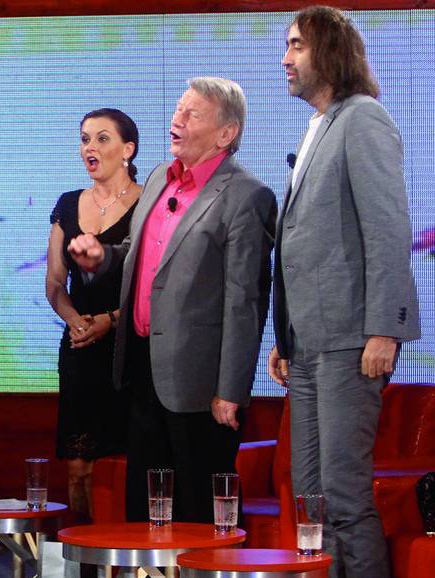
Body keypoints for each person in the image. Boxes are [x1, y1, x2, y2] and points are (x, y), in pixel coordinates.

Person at [68, 77, 276, 524]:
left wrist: (231, 390)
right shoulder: (161, 177)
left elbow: (246, 301)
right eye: (178, 109)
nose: (176, 120)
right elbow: (139, 254)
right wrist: (103, 257)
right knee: (145, 511)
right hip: (141, 369)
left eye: (191, 114)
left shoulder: (246, 196)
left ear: (225, 133)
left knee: (200, 512)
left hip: (201, 384)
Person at [268, 7, 420, 577]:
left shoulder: (364, 118)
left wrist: (384, 329)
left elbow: (387, 228)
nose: (285, 59)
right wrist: (285, 336)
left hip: (351, 341)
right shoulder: (319, 126)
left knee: (345, 496)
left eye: (296, 46)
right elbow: (303, 246)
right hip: (309, 345)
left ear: (329, 52)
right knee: (311, 500)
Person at [46, 108, 142, 521]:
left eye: (103, 138)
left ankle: (129, 549)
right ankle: (84, 551)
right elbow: (55, 282)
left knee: (127, 463)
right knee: (78, 468)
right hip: (81, 347)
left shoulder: (149, 203)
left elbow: (155, 285)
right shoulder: (68, 204)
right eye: (85, 139)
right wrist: (74, 320)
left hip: (131, 347)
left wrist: (111, 320)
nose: (91, 147)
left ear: (127, 149)